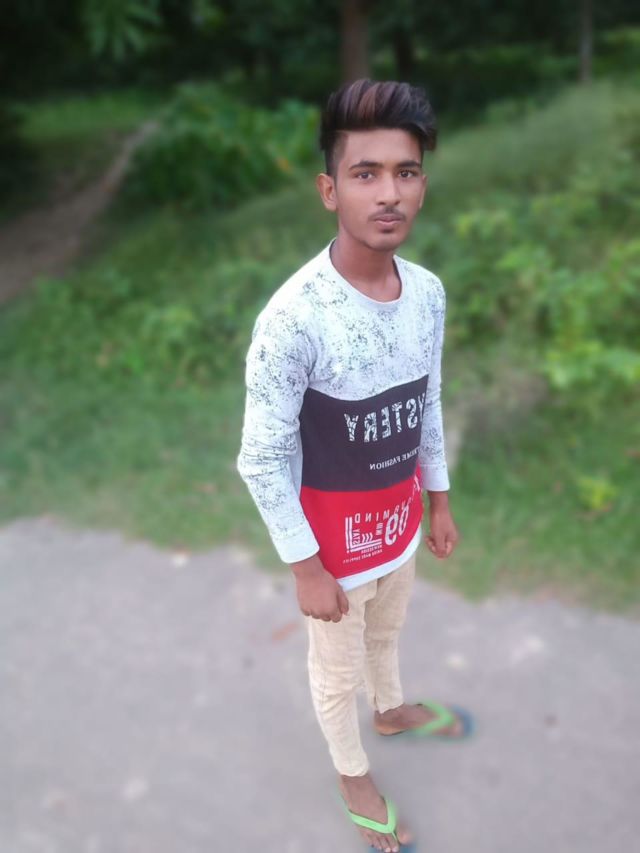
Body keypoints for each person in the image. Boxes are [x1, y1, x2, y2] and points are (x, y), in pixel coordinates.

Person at [237, 78, 471, 852]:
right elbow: (261, 457)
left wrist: (438, 499)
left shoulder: (427, 294)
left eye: (406, 172)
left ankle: (393, 707)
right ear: (329, 190)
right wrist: (306, 567)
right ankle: (351, 771)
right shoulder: (294, 318)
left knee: (389, 630)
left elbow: (427, 398)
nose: (389, 193)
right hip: (333, 548)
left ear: (423, 185)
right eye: (366, 173)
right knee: (336, 672)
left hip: (398, 523)